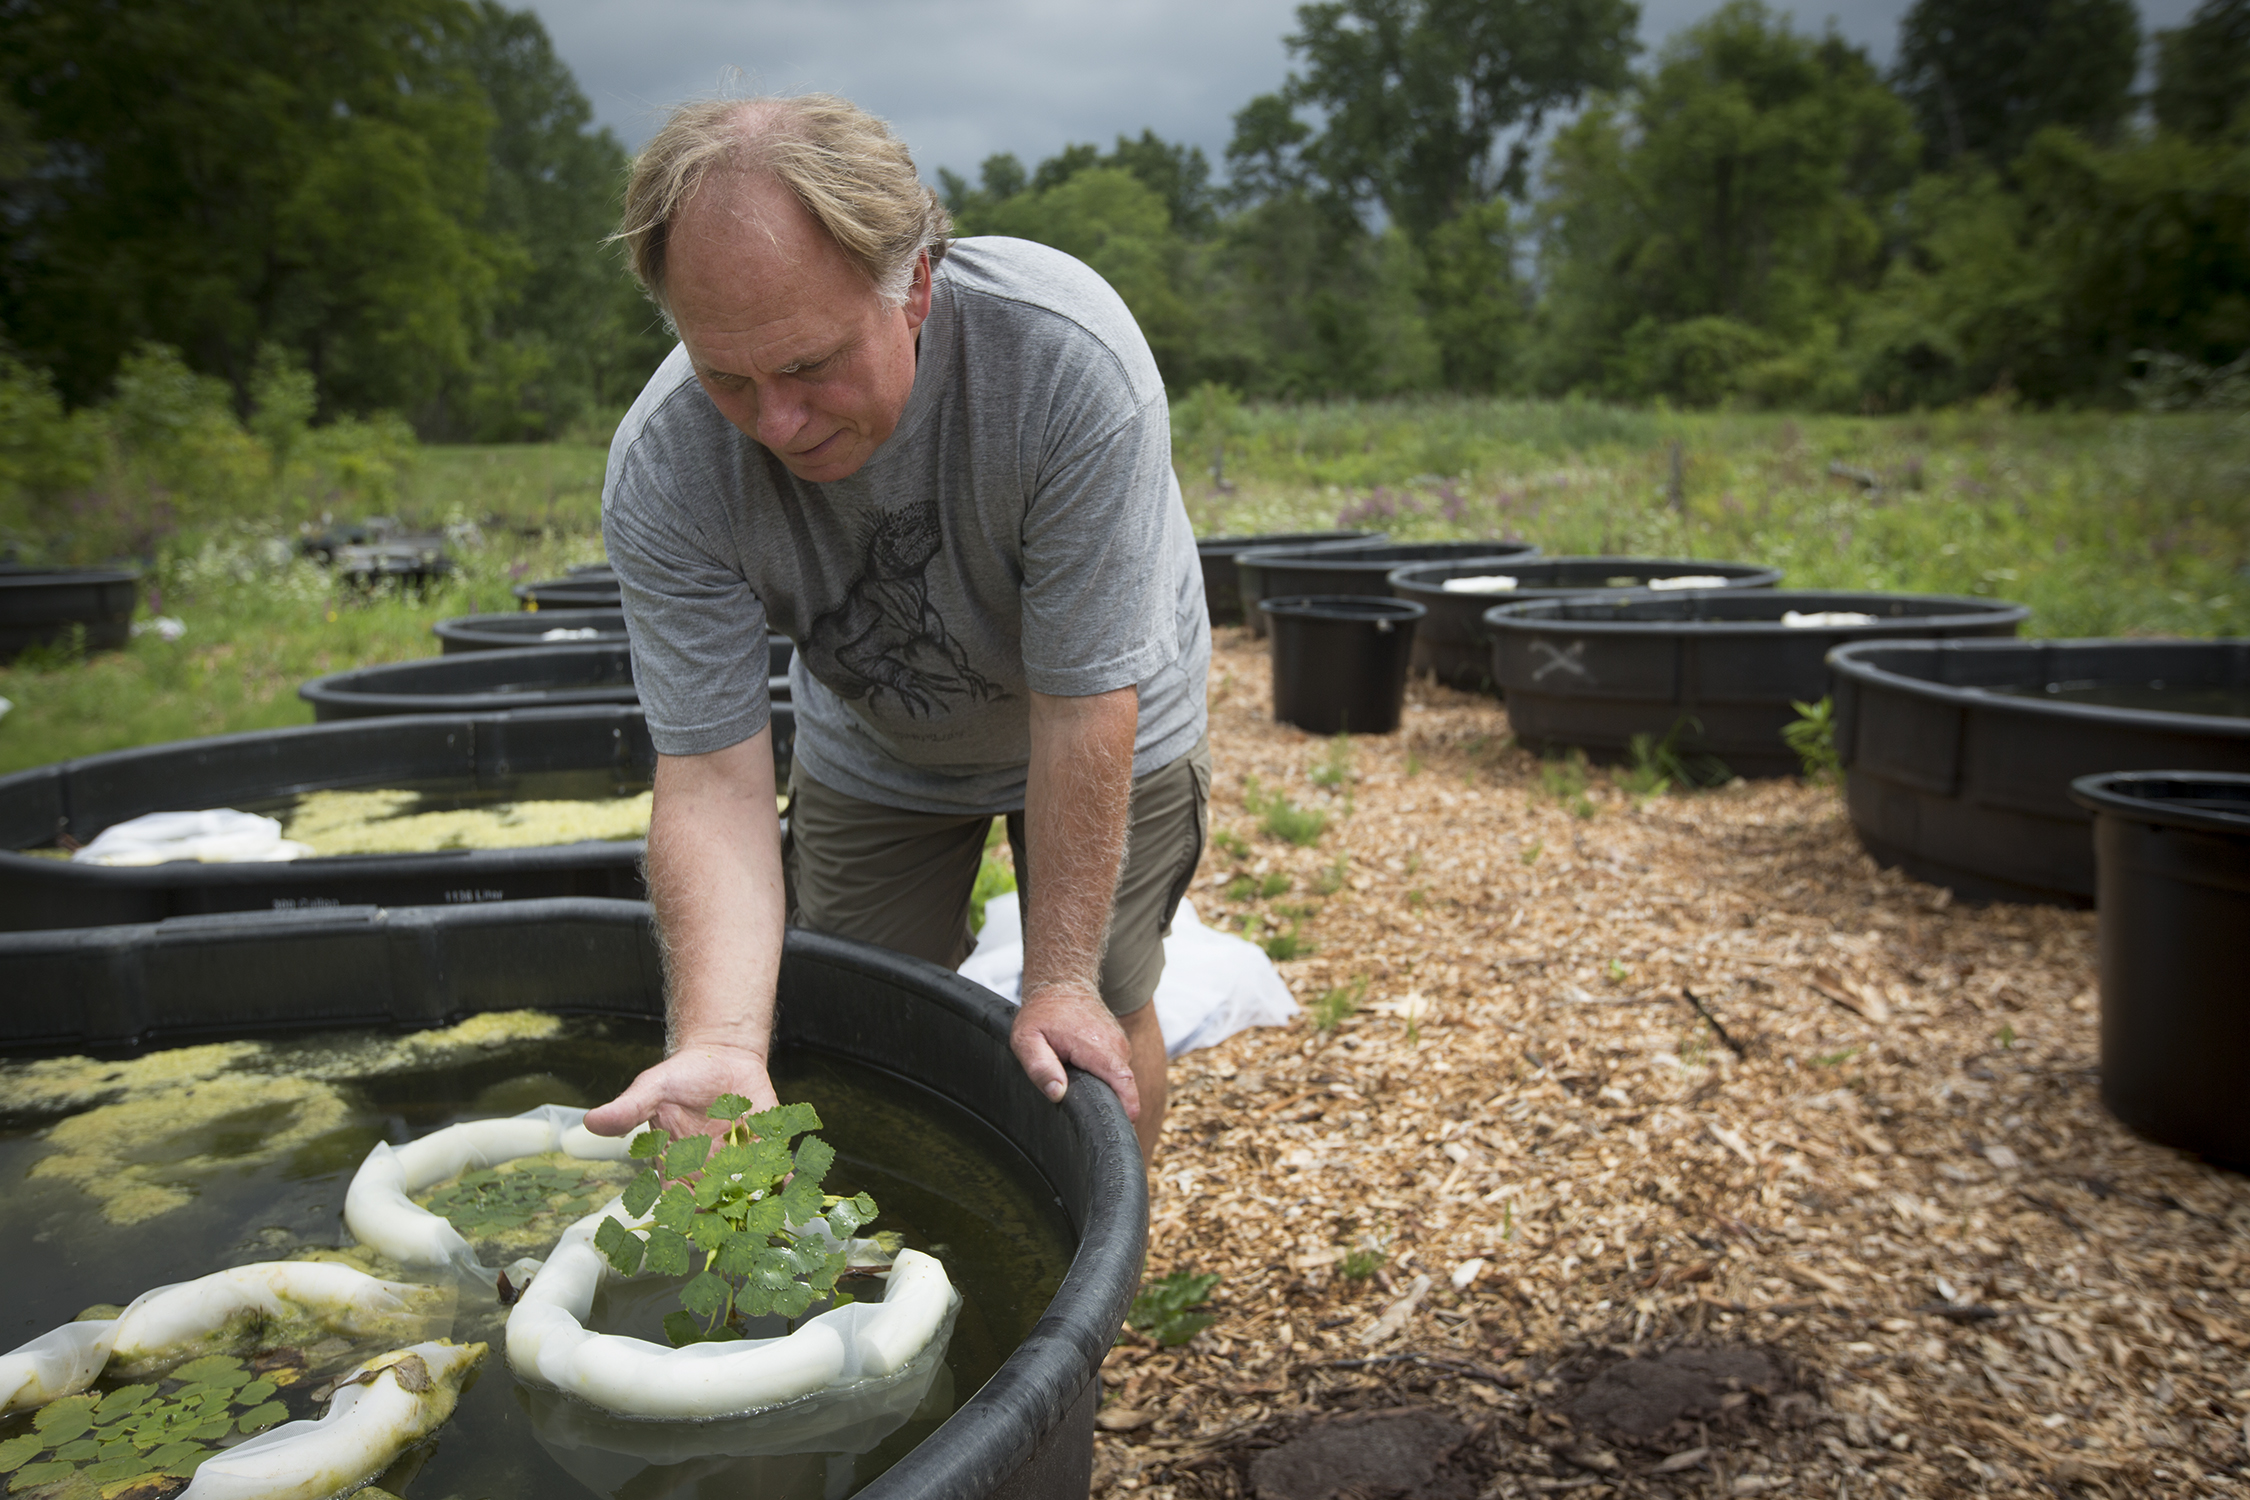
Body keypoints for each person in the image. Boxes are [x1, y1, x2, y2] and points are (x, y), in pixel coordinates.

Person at [581, 94, 1210, 1165]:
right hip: (878, 737)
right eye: (727, 377)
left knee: (1099, 999)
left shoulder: (1063, 363)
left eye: (812, 364)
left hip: (1104, 711)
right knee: (858, 1018)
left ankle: (1110, 1271)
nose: (777, 423)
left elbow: (1081, 706)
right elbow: (714, 776)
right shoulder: (666, 464)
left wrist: (1054, 979)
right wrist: (721, 1039)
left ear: (913, 284)